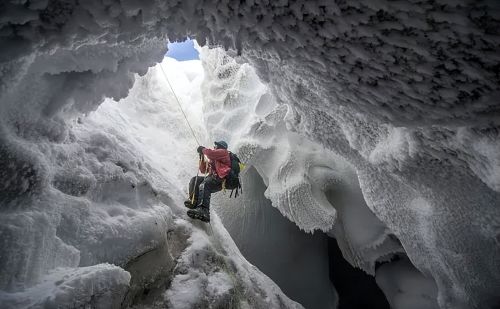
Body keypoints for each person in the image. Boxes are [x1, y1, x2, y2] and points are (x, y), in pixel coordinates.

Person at [185, 140, 231, 222]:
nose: (214, 147)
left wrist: (203, 149)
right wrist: (201, 156)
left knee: (205, 184)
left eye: (216, 146)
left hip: (220, 180)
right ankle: (194, 202)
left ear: (220, 147)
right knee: (195, 180)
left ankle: (204, 210)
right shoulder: (215, 160)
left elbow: (211, 153)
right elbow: (203, 170)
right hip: (213, 178)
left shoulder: (224, 153)